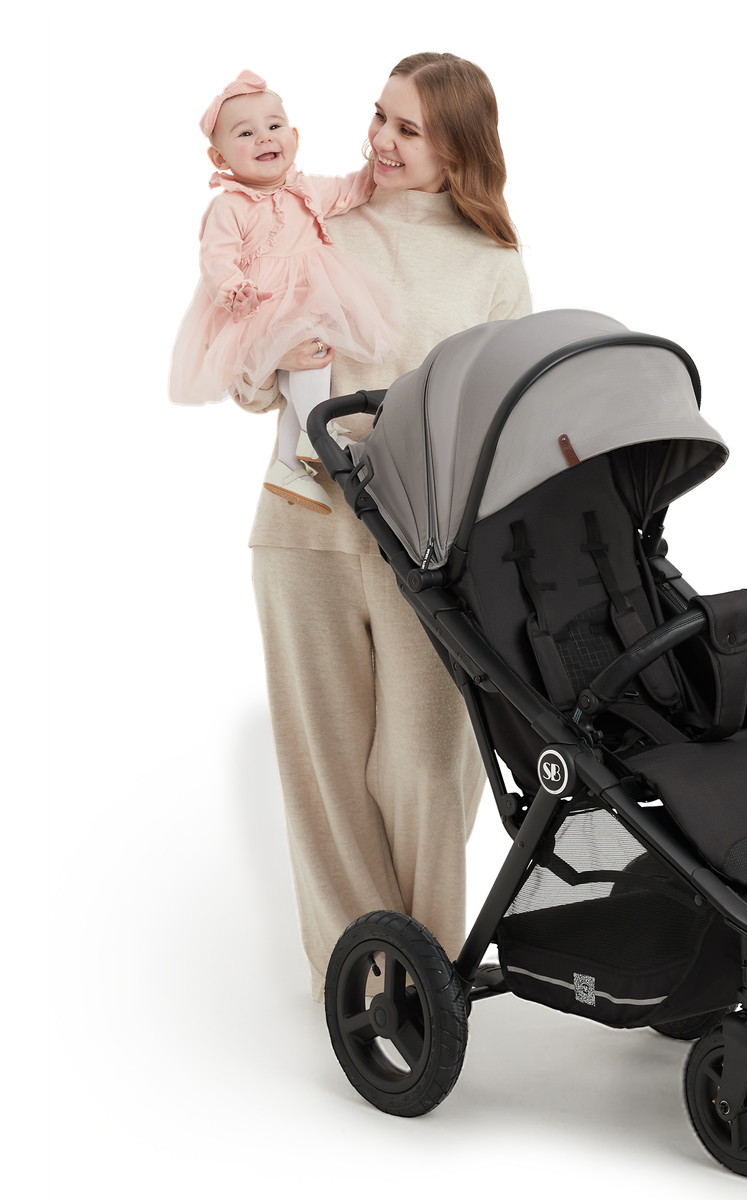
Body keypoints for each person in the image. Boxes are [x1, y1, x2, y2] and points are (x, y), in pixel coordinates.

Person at [237, 53, 532, 1000]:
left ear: (460, 148)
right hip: (304, 530)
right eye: (379, 117)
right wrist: (271, 349)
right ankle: (359, 989)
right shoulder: (318, 225)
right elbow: (248, 381)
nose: (381, 141)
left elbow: (506, 418)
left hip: (429, 548)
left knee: (430, 769)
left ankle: (428, 985)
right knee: (325, 769)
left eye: (409, 128)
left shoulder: (494, 266)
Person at [170, 70, 405, 514]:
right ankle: (319, 431)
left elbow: (353, 190)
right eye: (246, 133)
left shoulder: (307, 188)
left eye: (274, 125)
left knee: (308, 368)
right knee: (312, 356)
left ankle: (288, 462)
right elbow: (216, 258)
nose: (264, 137)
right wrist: (235, 289)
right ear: (219, 156)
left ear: (293, 136)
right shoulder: (230, 205)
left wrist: (379, 161)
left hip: (307, 299)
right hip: (263, 305)